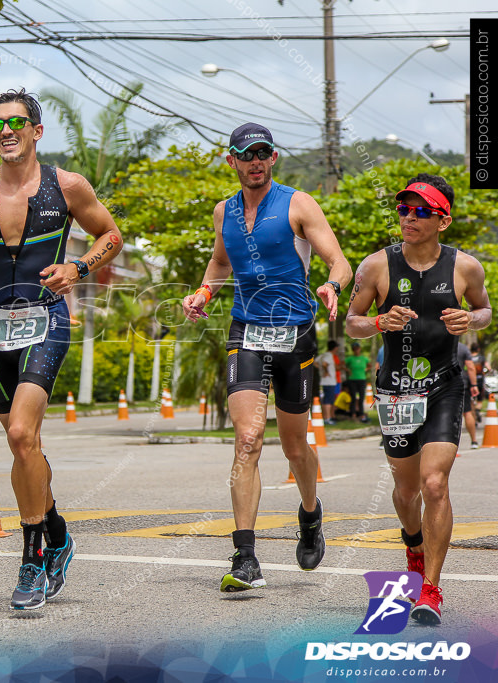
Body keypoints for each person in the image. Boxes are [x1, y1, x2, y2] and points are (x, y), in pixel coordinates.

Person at [0, 88, 123, 610]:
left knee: (20, 433)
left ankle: (33, 558)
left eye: (16, 123)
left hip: (47, 319)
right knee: (23, 446)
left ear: (36, 132)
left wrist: (79, 269)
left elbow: (110, 234)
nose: (6, 132)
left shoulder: (67, 186)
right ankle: (58, 535)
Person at [182, 122, 352, 592]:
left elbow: (340, 261)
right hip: (246, 332)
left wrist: (331, 285)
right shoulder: (224, 212)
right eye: (246, 154)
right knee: (249, 440)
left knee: (295, 447)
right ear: (231, 159)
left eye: (263, 153)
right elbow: (220, 264)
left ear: (273, 158)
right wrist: (203, 293)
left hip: (294, 332)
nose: (255, 161)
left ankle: (311, 514)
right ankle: (246, 555)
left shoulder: (298, 203)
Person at [346, 173, 491, 625]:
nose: (409, 217)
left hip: (446, 384)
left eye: (421, 211)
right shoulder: (375, 266)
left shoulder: (466, 267)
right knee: (407, 492)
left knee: (434, 485)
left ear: (442, 220)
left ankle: (430, 588)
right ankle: (413, 548)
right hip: (395, 389)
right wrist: (379, 322)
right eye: (404, 209)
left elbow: (486, 310)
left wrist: (470, 318)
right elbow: (351, 322)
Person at [457, 341, 479, 449]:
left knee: (448, 415)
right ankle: (474, 441)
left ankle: (450, 444)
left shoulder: (439, 343)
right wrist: (474, 384)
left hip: (443, 385)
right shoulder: (463, 348)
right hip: (461, 384)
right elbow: (470, 367)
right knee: (467, 412)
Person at [344, 342, 371, 423]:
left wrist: (366, 369)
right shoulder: (350, 359)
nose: (356, 350)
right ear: (353, 350)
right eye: (354, 349)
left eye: (357, 348)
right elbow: (342, 365)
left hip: (362, 379)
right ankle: (353, 413)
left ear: (360, 349)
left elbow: (370, 365)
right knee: (353, 397)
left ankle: (361, 413)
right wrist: (348, 370)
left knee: (362, 397)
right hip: (352, 379)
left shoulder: (364, 358)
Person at [317, 340, 339, 425]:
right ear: (335, 348)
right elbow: (324, 364)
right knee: (329, 400)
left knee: (326, 399)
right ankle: (328, 418)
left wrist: (321, 371)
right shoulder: (329, 355)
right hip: (329, 381)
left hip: (324, 381)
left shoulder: (323, 355)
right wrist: (325, 371)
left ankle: (325, 417)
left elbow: (315, 362)